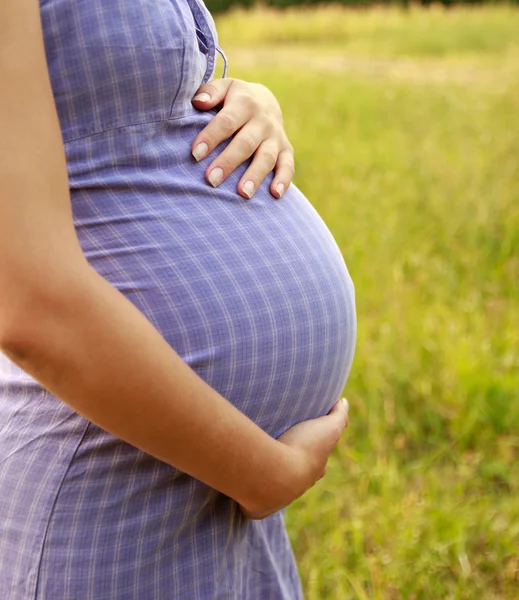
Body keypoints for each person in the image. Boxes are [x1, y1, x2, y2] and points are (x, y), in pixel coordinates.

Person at [0, 0, 356, 598]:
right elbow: (29, 304)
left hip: (208, 487)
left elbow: (105, 106)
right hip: (101, 495)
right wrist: (264, 475)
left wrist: (237, 97)